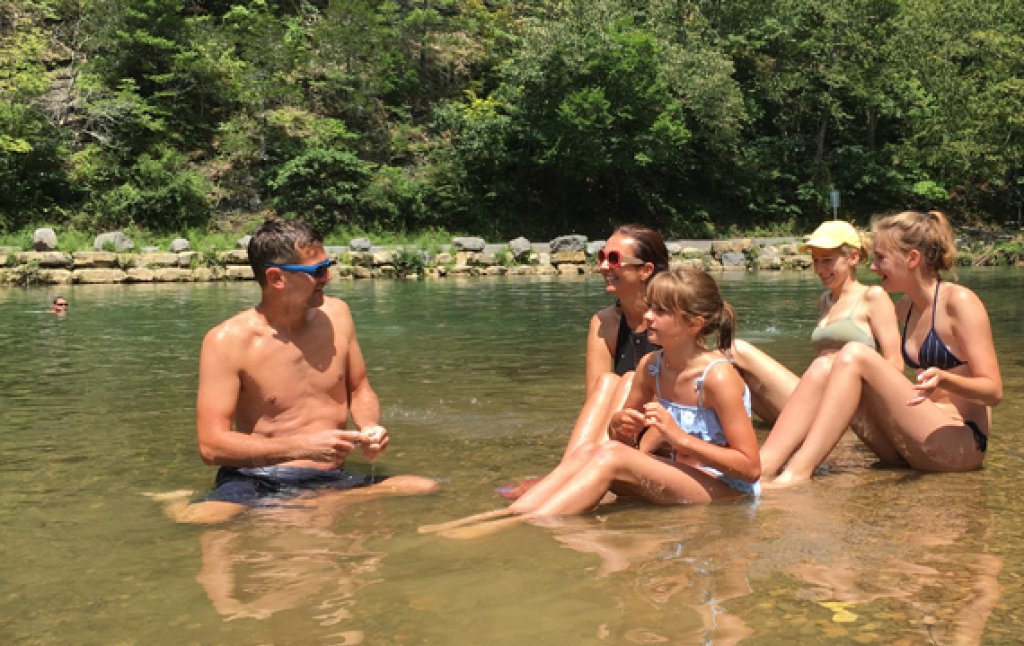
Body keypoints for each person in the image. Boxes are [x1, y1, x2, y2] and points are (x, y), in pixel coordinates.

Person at [422, 267, 760, 537]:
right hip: (683, 476)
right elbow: (619, 441)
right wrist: (620, 426)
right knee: (588, 451)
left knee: (610, 456)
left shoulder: (717, 378)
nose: (648, 316)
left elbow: (750, 468)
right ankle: (499, 516)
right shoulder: (652, 366)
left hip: (727, 490)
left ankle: (513, 527)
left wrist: (679, 438)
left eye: (660, 311)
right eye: (650, 306)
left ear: (694, 324)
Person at [163, 218, 438, 524]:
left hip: (329, 477)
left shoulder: (338, 315)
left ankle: (310, 502)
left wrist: (370, 428)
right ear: (277, 278)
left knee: (425, 487)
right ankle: (182, 503)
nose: (328, 277)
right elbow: (211, 445)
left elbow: (359, 389)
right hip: (259, 478)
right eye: (317, 271)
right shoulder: (226, 342)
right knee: (202, 520)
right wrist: (300, 447)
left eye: (328, 265)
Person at [767, 210, 1002, 487]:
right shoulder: (906, 307)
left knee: (853, 354)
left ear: (912, 259)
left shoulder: (959, 301)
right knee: (824, 365)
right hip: (911, 441)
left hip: (959, 444)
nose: (873, 268)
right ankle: (761, 467)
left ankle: (797, 473)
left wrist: (946, 378)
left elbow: (994, 391)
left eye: (881, 258)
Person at [497, 225, 668, 499]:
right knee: (609, 381)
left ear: (645, 270)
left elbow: (686, 396)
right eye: (601, 256)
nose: (602, 266)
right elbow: (596, 400)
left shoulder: (672, 318)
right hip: (621, 429)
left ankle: (570, 479)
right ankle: (567, 472)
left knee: (626, 380)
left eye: (613, 259)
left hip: (662, 431)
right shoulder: (605, 322)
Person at [730, 220, 902, 477]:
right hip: (817, 397)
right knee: (735, 364)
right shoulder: (824, 300)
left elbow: (895, 363)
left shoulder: (873, 296)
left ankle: (759, 465)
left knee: (739, 349)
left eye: (827, 260)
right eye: (816, 261)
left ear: (853, 257)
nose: (820, 269)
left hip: (851, 405)